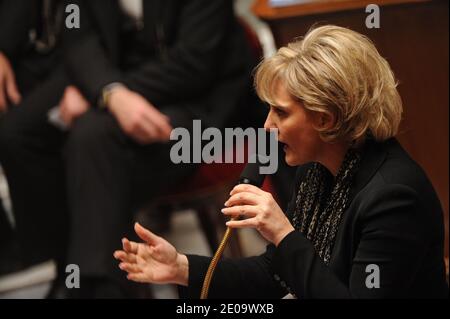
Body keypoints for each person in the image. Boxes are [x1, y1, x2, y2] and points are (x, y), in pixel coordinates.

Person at [114, 25, 449, 298]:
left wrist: (284, 234)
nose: (267, 125)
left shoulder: (393, 198)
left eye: (281, 112)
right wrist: (182, 268)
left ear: (326, 118)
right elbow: (275, 275)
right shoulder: (318, 172)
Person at [0, 0, 254, 298]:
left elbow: (196, 62)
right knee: (19, 131)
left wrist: (111, 95)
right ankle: (71, 266)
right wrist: (107, 90)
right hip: (123, 75)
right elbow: (78, 36)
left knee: (92, 137)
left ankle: (97, 284)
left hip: (202, 98)